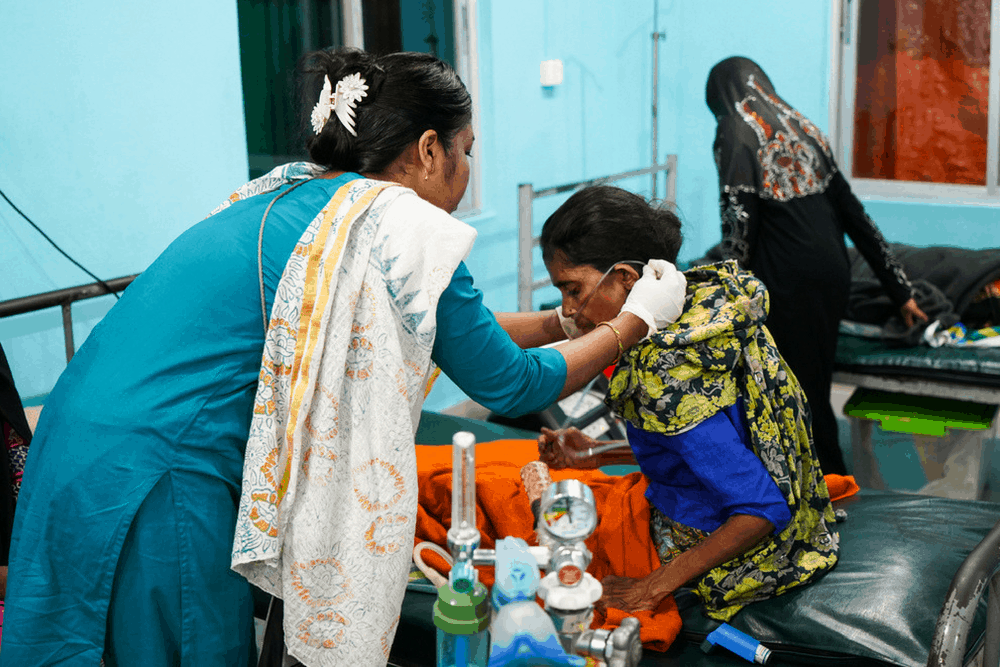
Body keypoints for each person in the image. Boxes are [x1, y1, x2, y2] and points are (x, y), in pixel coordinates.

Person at [2, 49, 686, 667]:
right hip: (158, 476)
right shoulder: (402, 225)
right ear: (427, 149)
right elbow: (511, 380)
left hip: (72, 443)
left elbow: (444, 330)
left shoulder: (301, 194)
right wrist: (632, 323)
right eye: (466, 150)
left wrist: (558, 320)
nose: (470, 170)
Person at [538, 185, 839, 622]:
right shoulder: (697, 309)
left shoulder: (669, 372)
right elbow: (702, 448)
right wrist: (596, 453)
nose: (569, 311)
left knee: (519, 508)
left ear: (624, 278)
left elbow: (760, 509)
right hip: (701, 497)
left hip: (721, 541)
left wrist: (650, 588)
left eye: (573, 289)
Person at [704, 56, 927, 476]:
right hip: (831, 276)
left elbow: (739, 228)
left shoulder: (734, 132)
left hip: (789, 284)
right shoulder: (805, 129)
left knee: (796, 393)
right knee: (811, 385)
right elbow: (856, 216)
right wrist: (901, 289)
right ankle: (817, 480)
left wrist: (722, 297)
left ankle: (831, 484)